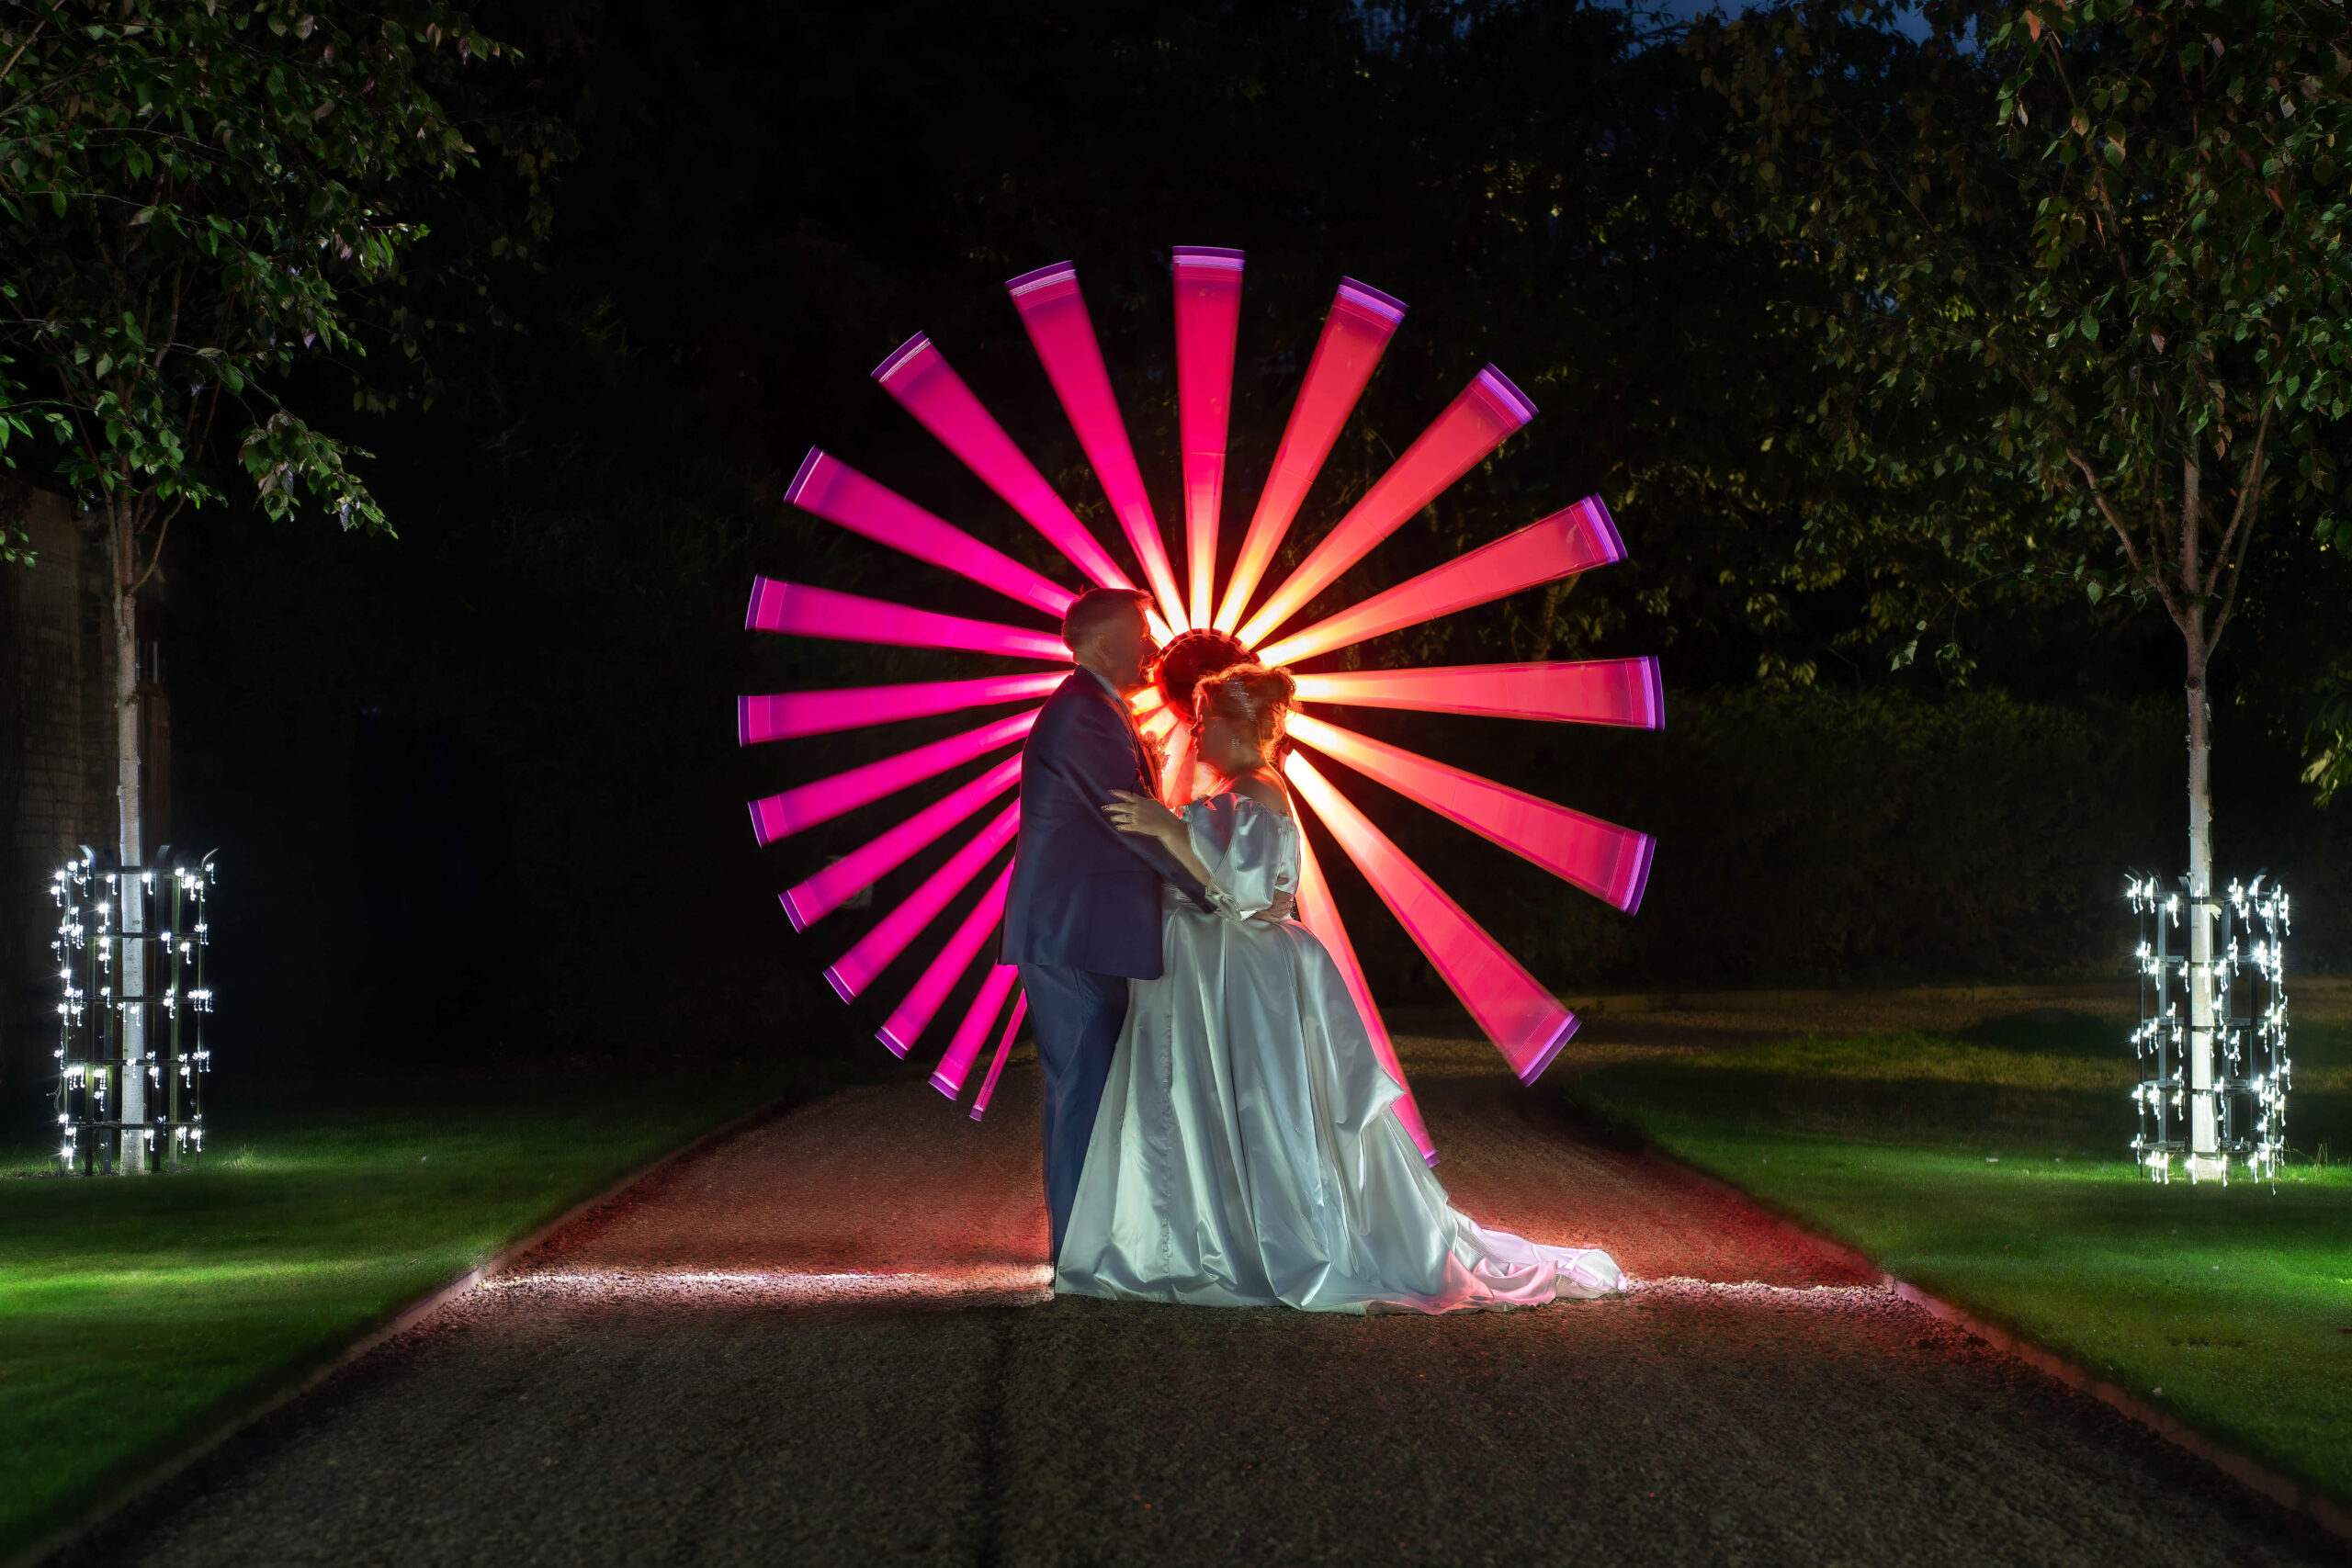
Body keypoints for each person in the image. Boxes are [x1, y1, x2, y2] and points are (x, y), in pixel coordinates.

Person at [1055, 661, 1623, 1313]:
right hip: (1225, 971)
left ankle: (1271, 1236)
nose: (1195, 733)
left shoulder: (1258, 789)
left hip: (1245, 974)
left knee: (1261, 1103)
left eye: (1204, 722)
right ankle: (1218, 1229)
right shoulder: (1241, 785)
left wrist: (1166, 826)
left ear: (1236, 729)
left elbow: (1251, 887)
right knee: (1230, 1099)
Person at [1000, 588, 1211, 1263]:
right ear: (1100, 644)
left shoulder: (1095, 709)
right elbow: (1131, 821)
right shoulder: (1087, 715)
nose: (1152, 646)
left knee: (1080, 1087)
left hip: (1076, 928)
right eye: (1141, 632)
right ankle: (1081, 1256)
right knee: (1086, 1087)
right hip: (1076, 933)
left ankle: (1083, 1247)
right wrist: (1215, 892)